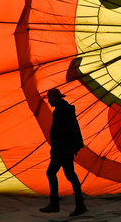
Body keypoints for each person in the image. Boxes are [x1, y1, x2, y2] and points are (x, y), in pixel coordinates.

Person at [39, 88, 87, 216]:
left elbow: (64, 132)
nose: (49, 101)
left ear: (56, 97)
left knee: (55, 173)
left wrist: (58, 149)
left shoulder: (62, 111)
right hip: (64, 149)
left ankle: (57, 204)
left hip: (63, 149)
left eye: (50, 98)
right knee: (69, 174)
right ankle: (79, 204)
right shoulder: (62, 109)